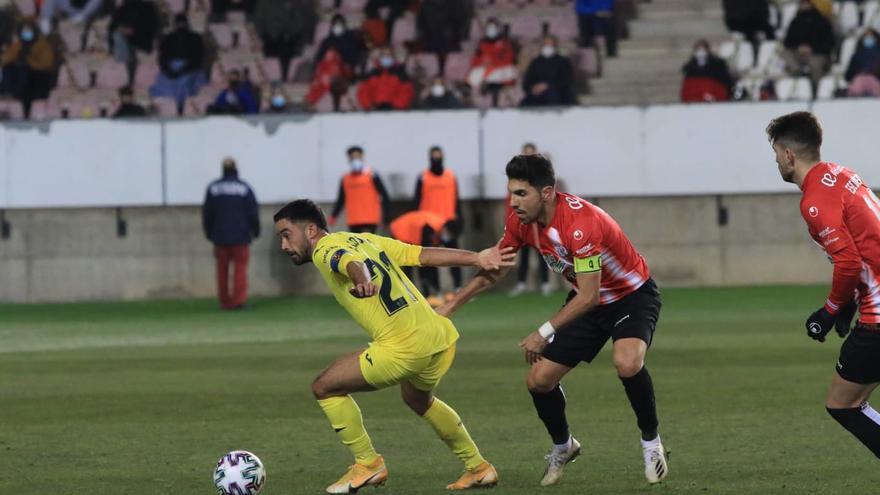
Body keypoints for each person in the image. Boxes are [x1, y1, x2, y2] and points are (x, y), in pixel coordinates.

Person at [437, 154, 668, 487]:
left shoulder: (579, 225)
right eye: (511, 193)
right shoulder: (520, 221)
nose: (513, 202)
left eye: (521, 194)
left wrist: (543, 332)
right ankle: (564, 445)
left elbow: (589, 296)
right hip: (589, 301)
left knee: (627, 362)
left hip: (631, 296)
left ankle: (651, 442)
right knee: (539, 381)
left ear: (546, 193)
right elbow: (496, 268)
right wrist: (450, 306)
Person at [272, 199, 512, 492]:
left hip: (406, 347)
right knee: (418, 400)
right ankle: (478, 468)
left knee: (325, 386)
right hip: (439, 337)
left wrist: (362, 279)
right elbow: (421, 254)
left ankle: (368, 463)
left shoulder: (323, 249)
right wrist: (477, 258)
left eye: (286, 234)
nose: (284, 245)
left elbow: (348, 263)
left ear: (310, 230)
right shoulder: (364, 239)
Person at [766, 111, 880, 459]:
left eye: (775, 155)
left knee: (845, 404)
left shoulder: (814, 200)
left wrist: (830, 311)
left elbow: (848, 263)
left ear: (788, 155)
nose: (777, 163)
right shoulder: (842, 174)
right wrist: (848, 304)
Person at [202, 158, 260, 310]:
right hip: (240, 236)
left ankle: (225, 302)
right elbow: (252, 212)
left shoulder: (213, 188)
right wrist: (256, 230)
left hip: (219, 237)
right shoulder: (244, 188)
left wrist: (209, 232)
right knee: (240, 270)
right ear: (236, 169)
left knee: (222, 271)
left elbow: (207, 213)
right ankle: (238, 301)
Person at [413, 146, 464, 298]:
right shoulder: (423, 177)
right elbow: (416, 201)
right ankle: (435, 291)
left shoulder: (450, 176)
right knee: (431, 259)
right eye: (434, 157)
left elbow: (456, 199)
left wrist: (459, 219)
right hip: (430, 226)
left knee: (455, 257)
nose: (436, 160)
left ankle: (458, 287)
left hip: (448, 224)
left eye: (439, 157)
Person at [390, 210, 459, 307]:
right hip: (402, 230)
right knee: (408, 264)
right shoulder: (429, 229)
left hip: (413, 230)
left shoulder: (441, 228)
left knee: (423, 263)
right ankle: (409, 295)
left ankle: (429, 293)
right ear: (446, 229)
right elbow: (424, 260)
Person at [509, 143, 551, 297]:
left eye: (530, 155)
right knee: (524, 254)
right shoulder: (515, 178)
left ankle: (545, 283)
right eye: (525, 155)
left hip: (538, 223)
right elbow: (511, 201)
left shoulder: (541, 178)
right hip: (523, 222)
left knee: (543, 252)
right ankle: (521, 284)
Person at [150, 14, 206, 116]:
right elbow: (162, 57)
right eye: (178, 23)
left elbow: (197, 57)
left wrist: (183, 70)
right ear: (175, 25)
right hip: (170, 68)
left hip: (190, 69)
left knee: (183, 82)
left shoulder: (195, 38)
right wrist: (169, 70)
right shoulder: (167, 38)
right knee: (162, 84)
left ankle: (181, 109)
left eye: (183, 23)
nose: (181, 26)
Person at [0, 19, 57, 119]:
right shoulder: (18, 45)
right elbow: (6, 57)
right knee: (8, 69)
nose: (26, 33)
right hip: (20, 80)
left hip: (39, 79)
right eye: (24, 31)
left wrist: (29, 61)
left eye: (29, 31)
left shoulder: (42, 45)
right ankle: (7, 93)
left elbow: (46, 64)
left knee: (24, 70)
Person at [329, 146, 391, 234]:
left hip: (370, 219)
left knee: (369, 245)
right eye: (352, 158)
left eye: (357, 157)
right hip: (353, 220)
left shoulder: (372, 175)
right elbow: (341, 199)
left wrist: (387, 218)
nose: (355, 160)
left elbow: (384, 195)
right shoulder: (345, 178)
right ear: (349, 159)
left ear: (362, 157)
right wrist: (333, 216)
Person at [253, 0, 317, 82]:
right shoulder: (265, 3)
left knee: (287, 57)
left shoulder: (294, 3)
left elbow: (299, 20)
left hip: (289, 40)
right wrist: (264, 36)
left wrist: (290, 33)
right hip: (269, 40)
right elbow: (258, 20)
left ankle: (285, 78)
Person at [782, 0, 834, 93]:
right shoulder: (795, 22)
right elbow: (787, 42)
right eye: (802, 3)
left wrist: (812, 49)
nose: (803, 5)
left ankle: (815, 90)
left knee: (815, 64)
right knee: (785, 53)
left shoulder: (821, 21)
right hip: (798, 53)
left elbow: (829, 43)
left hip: (817, 53)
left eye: (806, 3)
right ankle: (799, 75)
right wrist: (798, 47)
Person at [108, 0, 160, 86]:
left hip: (140, 36)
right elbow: (113, 25)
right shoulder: (125, 8)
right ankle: (131, 77)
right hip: (133, 37)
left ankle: (131, 77)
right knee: (129, 54)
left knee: (130, 54)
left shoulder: (146, 7)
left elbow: (152, 24)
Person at [467, 17, 517, 107]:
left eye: (493, 28)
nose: (490, 30)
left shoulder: (505, 43)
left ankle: (491, 89)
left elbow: (509, 59)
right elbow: (475, 60)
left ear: (498, 29)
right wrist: (482, 63)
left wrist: (494, 63)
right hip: (486, 70)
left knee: (502, 73)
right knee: (476, 72)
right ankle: (468, 91)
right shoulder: (482, 43)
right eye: (489, 28)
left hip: (501, 70)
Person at [521, 35, 575, 107]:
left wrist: (548, 85)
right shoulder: (536, 62)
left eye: (550, 44)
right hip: (538, 95)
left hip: (558, 94)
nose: (548, 47)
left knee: (553, 97)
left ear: (555, 46)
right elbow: (527, 81)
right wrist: (533, 88)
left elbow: (567, 80)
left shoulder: (563, 61)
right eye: (546, 44)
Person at [845, 29, 880, 97]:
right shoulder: (857, 54)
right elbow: (848, 74)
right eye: (866, 37)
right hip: (859, 80)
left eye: (871, 37)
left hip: (876, 80)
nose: (869, 39)